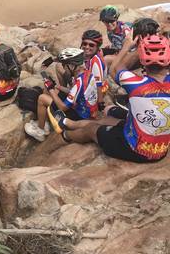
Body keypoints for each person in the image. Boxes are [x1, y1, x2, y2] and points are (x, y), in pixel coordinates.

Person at [51, 34, 170, 163]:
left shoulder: (135, 84)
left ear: (142, 60)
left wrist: (127, 47)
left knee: (93, 130)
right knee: (109, 112)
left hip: (137, 150)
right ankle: (70, 123)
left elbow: (114, 69)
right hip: (161, 148)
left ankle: (66, 135)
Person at [24, 48, 98, 142]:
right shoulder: (86, 73)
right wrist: (57, 87)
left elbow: (63, 107)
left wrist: (51, 88)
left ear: (71, 66)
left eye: (64, 65)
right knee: (50, 89)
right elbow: (73, 92)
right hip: (83, 108)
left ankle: (40, 131)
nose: (63, 67)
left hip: (78, 116)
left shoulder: (79, 83)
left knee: (42, 98)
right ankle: (44, 121)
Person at [81, 29, 108, 109]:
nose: (87, 47)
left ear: (97, 47)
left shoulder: (95, 60)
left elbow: (98, 84)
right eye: (84, 44)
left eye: (91, 45)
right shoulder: (91, 56)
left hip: (95, 92)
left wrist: (100, 103)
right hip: (90, 87)